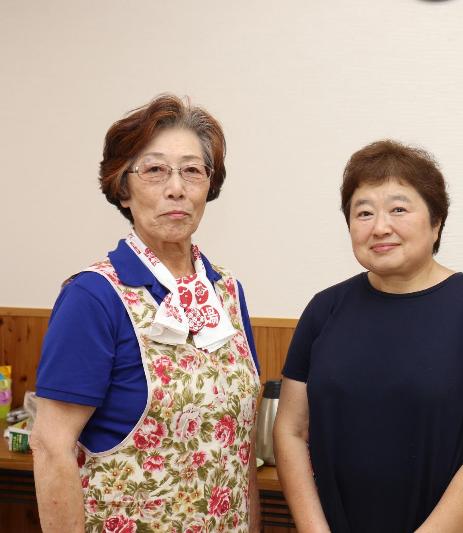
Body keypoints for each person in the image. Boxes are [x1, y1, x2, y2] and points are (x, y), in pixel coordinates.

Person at [31, 95, 262, 533]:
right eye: (155, 170)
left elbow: (241, 446)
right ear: (123, 186)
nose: (176, 188)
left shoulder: (227, 291)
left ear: (209, 187)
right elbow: (50, 444)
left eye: (192, 170)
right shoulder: (94, 296)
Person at [274, 140, 463, 533]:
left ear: (436, 221)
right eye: (363, 212)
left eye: (398, 209)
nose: (380, 227)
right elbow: (290, 430)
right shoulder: (325, 309)